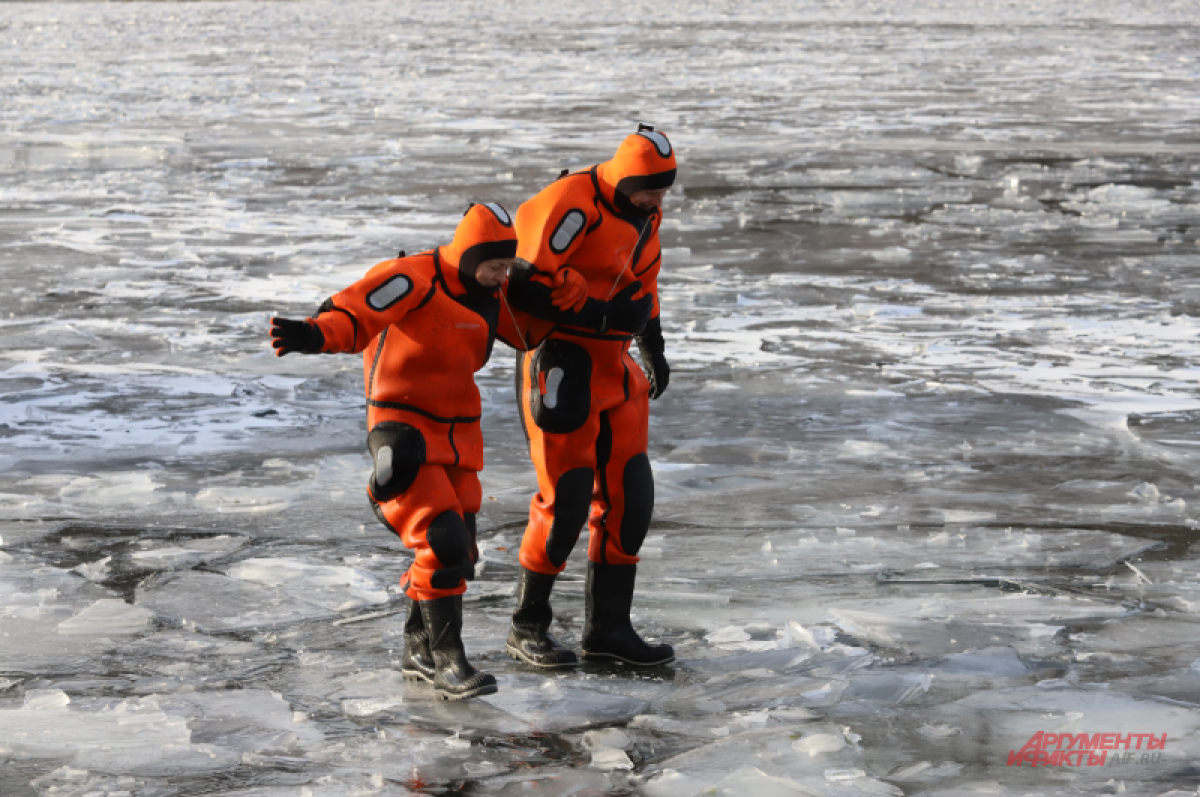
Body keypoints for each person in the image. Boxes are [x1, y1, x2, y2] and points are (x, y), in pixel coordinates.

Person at [269, 202, 524, 700]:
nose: (501, 275)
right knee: (443, 541)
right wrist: (315, 334)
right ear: (469, 256)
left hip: (459, 433)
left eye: (507, 266)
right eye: (494, 265)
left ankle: (416, 647)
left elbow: (539, 318)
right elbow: (356, 310)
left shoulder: (498, 288)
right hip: (402, 428)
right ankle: (449, 661)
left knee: (458, 553)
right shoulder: (413, 278)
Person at [502, 125, 676, 669]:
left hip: (614, 365)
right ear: (625, 180)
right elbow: (520, 285)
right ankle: (527, 626)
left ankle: (609, 629)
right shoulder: (569, 204)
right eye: (649, 189)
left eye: (664, 190)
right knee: (567, 502)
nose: (657, 200)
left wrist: (652, 342)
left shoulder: (644, 215)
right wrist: (599, 315)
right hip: (560, 361)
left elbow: (641, 287)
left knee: (631, 500)